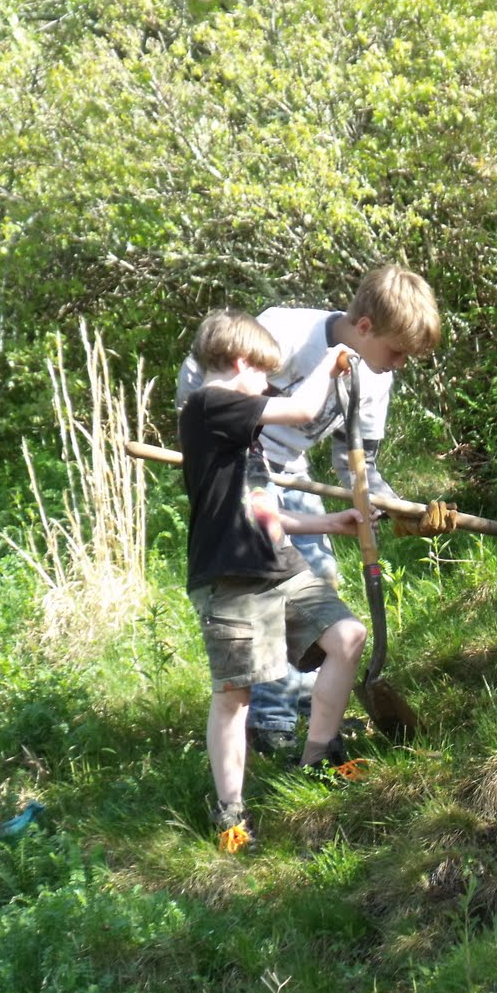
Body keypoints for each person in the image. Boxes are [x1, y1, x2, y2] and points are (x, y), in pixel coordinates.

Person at [176, 265, 452, 759]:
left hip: (290, 470)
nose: (401, 363)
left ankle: (307, 710)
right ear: (364, 327)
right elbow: (203, 373)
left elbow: (358, 465)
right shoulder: (287, 333)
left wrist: (399, 509)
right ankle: (272, 722)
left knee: (317, 578)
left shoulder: (374, 380)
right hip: (239, 473)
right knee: (266, 590)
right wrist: (208, 447)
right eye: (397, 350)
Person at [178, 309, 369, 852]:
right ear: (239, 364)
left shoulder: (237, 429)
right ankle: (230, 815)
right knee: (235, 697)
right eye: (262, 373)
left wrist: (325, 523)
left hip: (279, 566)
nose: (266, 384)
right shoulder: (209, 406)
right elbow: (306, 407)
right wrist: (333, 360)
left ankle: (317, 758)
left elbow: (260, 508)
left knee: (347, 637)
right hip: (231, 578)